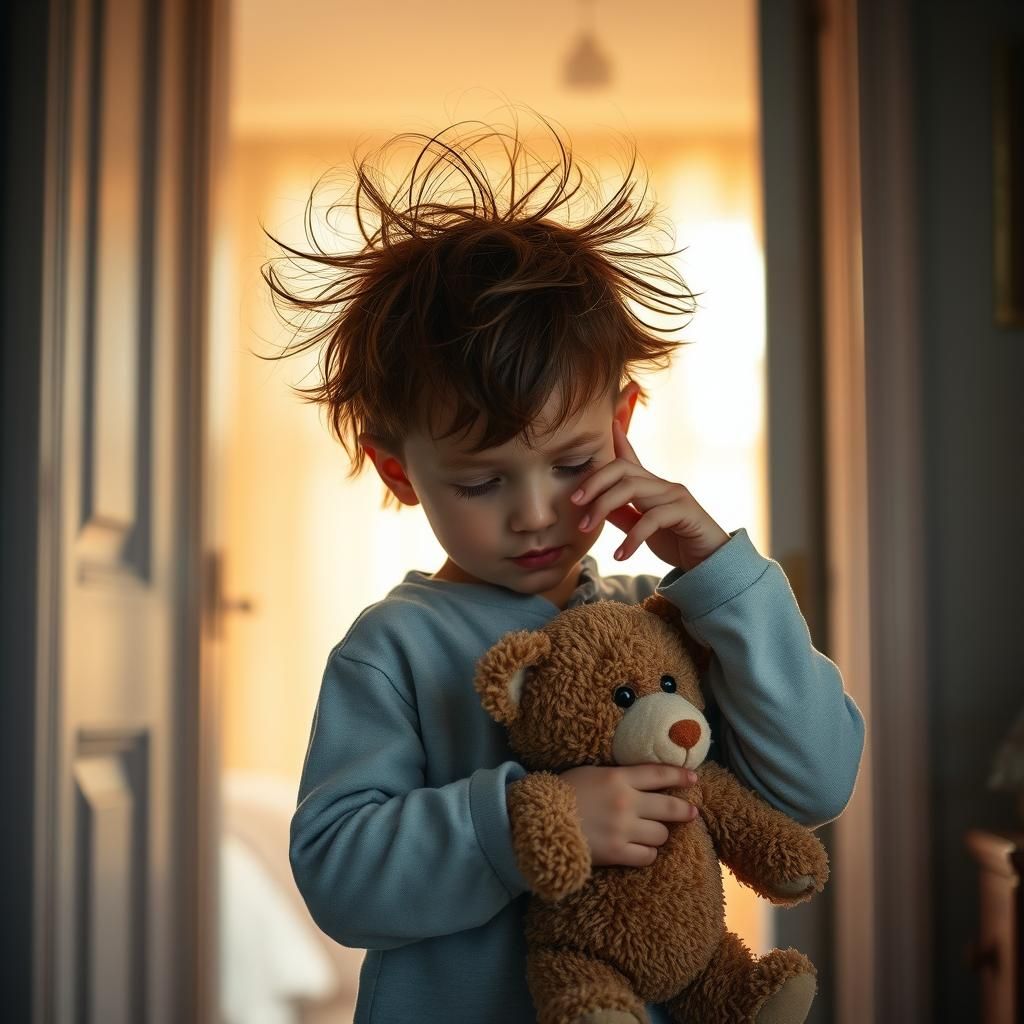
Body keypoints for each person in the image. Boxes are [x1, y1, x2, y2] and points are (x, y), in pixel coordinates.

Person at [266, 109, 865, 1024]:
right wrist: (529, 825)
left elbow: (815, 783)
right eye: (480, 481)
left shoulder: (666, 626)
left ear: (622, 424)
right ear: (400, 471)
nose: (537, 511)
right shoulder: (391, 649)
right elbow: (340, 877)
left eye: (574, 463)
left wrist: (722, 577)